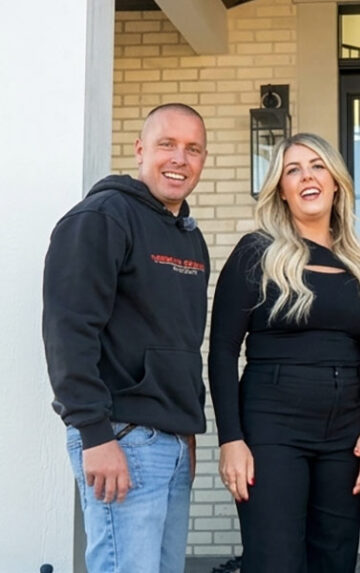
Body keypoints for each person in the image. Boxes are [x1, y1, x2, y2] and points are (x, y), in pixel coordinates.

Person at [42, 103, 210, 572]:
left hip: (171, 443)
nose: (180, 158)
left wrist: (187, 431)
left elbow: (182, 343)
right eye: (167, 145)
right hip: (122, 437)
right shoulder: (102, 218)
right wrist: (94, 433)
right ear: (140, 151)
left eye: (192, 149)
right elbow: (69, 330)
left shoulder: (188, 238)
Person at [208, 133, 360, 572]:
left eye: (317, 166)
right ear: (281, 190)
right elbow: (223, 351)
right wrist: (231, 439)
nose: (307, 176)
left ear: (336, 182)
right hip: (272, 430)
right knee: (275, 562)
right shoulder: (257, 252)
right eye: (293, 170)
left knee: (335, 558)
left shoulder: (359, 262)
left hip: (345, 436)